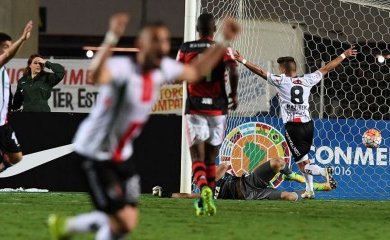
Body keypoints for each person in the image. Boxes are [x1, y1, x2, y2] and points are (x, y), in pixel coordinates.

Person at [48, 13, 240, 240]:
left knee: (126, 221)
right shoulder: (122, 68)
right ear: (141, 45)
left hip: (122, 155)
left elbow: (196, 72)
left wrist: (225, 40)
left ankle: (66, 227)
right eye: (155, 40)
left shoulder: (163, 67)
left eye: (165, 40)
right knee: (120, 219)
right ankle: (67, 226)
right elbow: (96, 74)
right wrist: (112, 37)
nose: (162, 45)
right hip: (93, 153)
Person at [234, 46, 357, 199]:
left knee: (301, 165)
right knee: (305, 160)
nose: (278, 71)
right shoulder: (307, 79)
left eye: (279, 68)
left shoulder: (281, 80)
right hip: (308, 125)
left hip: (294, 128)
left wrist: (243, 60)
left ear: (283, 70)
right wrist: (344, 55)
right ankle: (310, 190)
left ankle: (323, 171)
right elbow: (327, 68)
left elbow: (260, 71)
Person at [177, 13, 239, 216]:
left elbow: (178, 76)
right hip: (217, 109)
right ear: (214, 30)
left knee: (197, 156)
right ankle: (208, 199)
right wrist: (234, 94)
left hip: (195, 108)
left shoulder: (186, 48)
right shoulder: (222, 48)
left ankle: (203, 188)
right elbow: (233, 69)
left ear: (196, 28)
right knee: (211, 159)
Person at [152, 158, 333, 201]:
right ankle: (313, 190)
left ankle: (293, 175)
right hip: (252, 194)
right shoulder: (204, 194)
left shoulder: (214, 176)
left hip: (249, 181)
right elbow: (185, 196)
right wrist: (165, 194)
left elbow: (223, 167)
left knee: (278, 161)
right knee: (290, 197)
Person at [0, 21, 33, 186]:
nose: (9, 49)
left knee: (17, 158)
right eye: (6, 46)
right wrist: (22, 39)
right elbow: (8, 55)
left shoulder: (0, 67)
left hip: (4, 124)